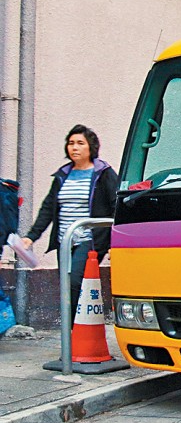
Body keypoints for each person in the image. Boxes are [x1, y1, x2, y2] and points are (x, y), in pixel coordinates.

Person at [22, 125, 118, 321]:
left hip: (89, 239)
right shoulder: (63, 175)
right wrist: (31, 237)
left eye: (80, 143)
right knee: (66, 285)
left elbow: (116, 205)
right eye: (71, 143)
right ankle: (70, 338)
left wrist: (114, 242)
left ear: (91, 147)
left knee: (74, 282)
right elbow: (48, 208)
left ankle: (73, 331)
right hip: (64, 240)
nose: (74, 147)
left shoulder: (103, 173)